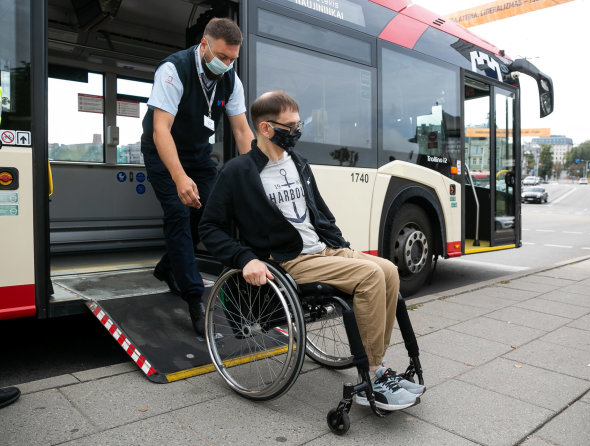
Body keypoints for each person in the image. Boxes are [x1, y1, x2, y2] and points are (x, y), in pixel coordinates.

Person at [199, 91, 425, 410]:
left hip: (323, 249)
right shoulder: (239, 172)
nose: (297, 130)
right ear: (265, 128)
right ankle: (374, 374)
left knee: (388, 270)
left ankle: (378, 366)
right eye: (290, 125)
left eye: (298, 123)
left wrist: (343, 247)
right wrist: (244, 258)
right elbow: (209, 228)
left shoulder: (298, 162)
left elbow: (319, 211)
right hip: (288, 260)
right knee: (372, 277)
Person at [140, 18, 254, 336]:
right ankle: (194, 299)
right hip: (163, 152)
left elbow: (242, 131)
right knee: (178, 213)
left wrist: (255, 178)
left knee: (211, 216)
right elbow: (161, 129)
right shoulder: (173, 70)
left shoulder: (230, 79)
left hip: (199, 156)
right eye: (222, 56)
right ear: (204, 45)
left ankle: (167, 268)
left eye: (233, 59)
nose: (227, 64)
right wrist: (179, 178)